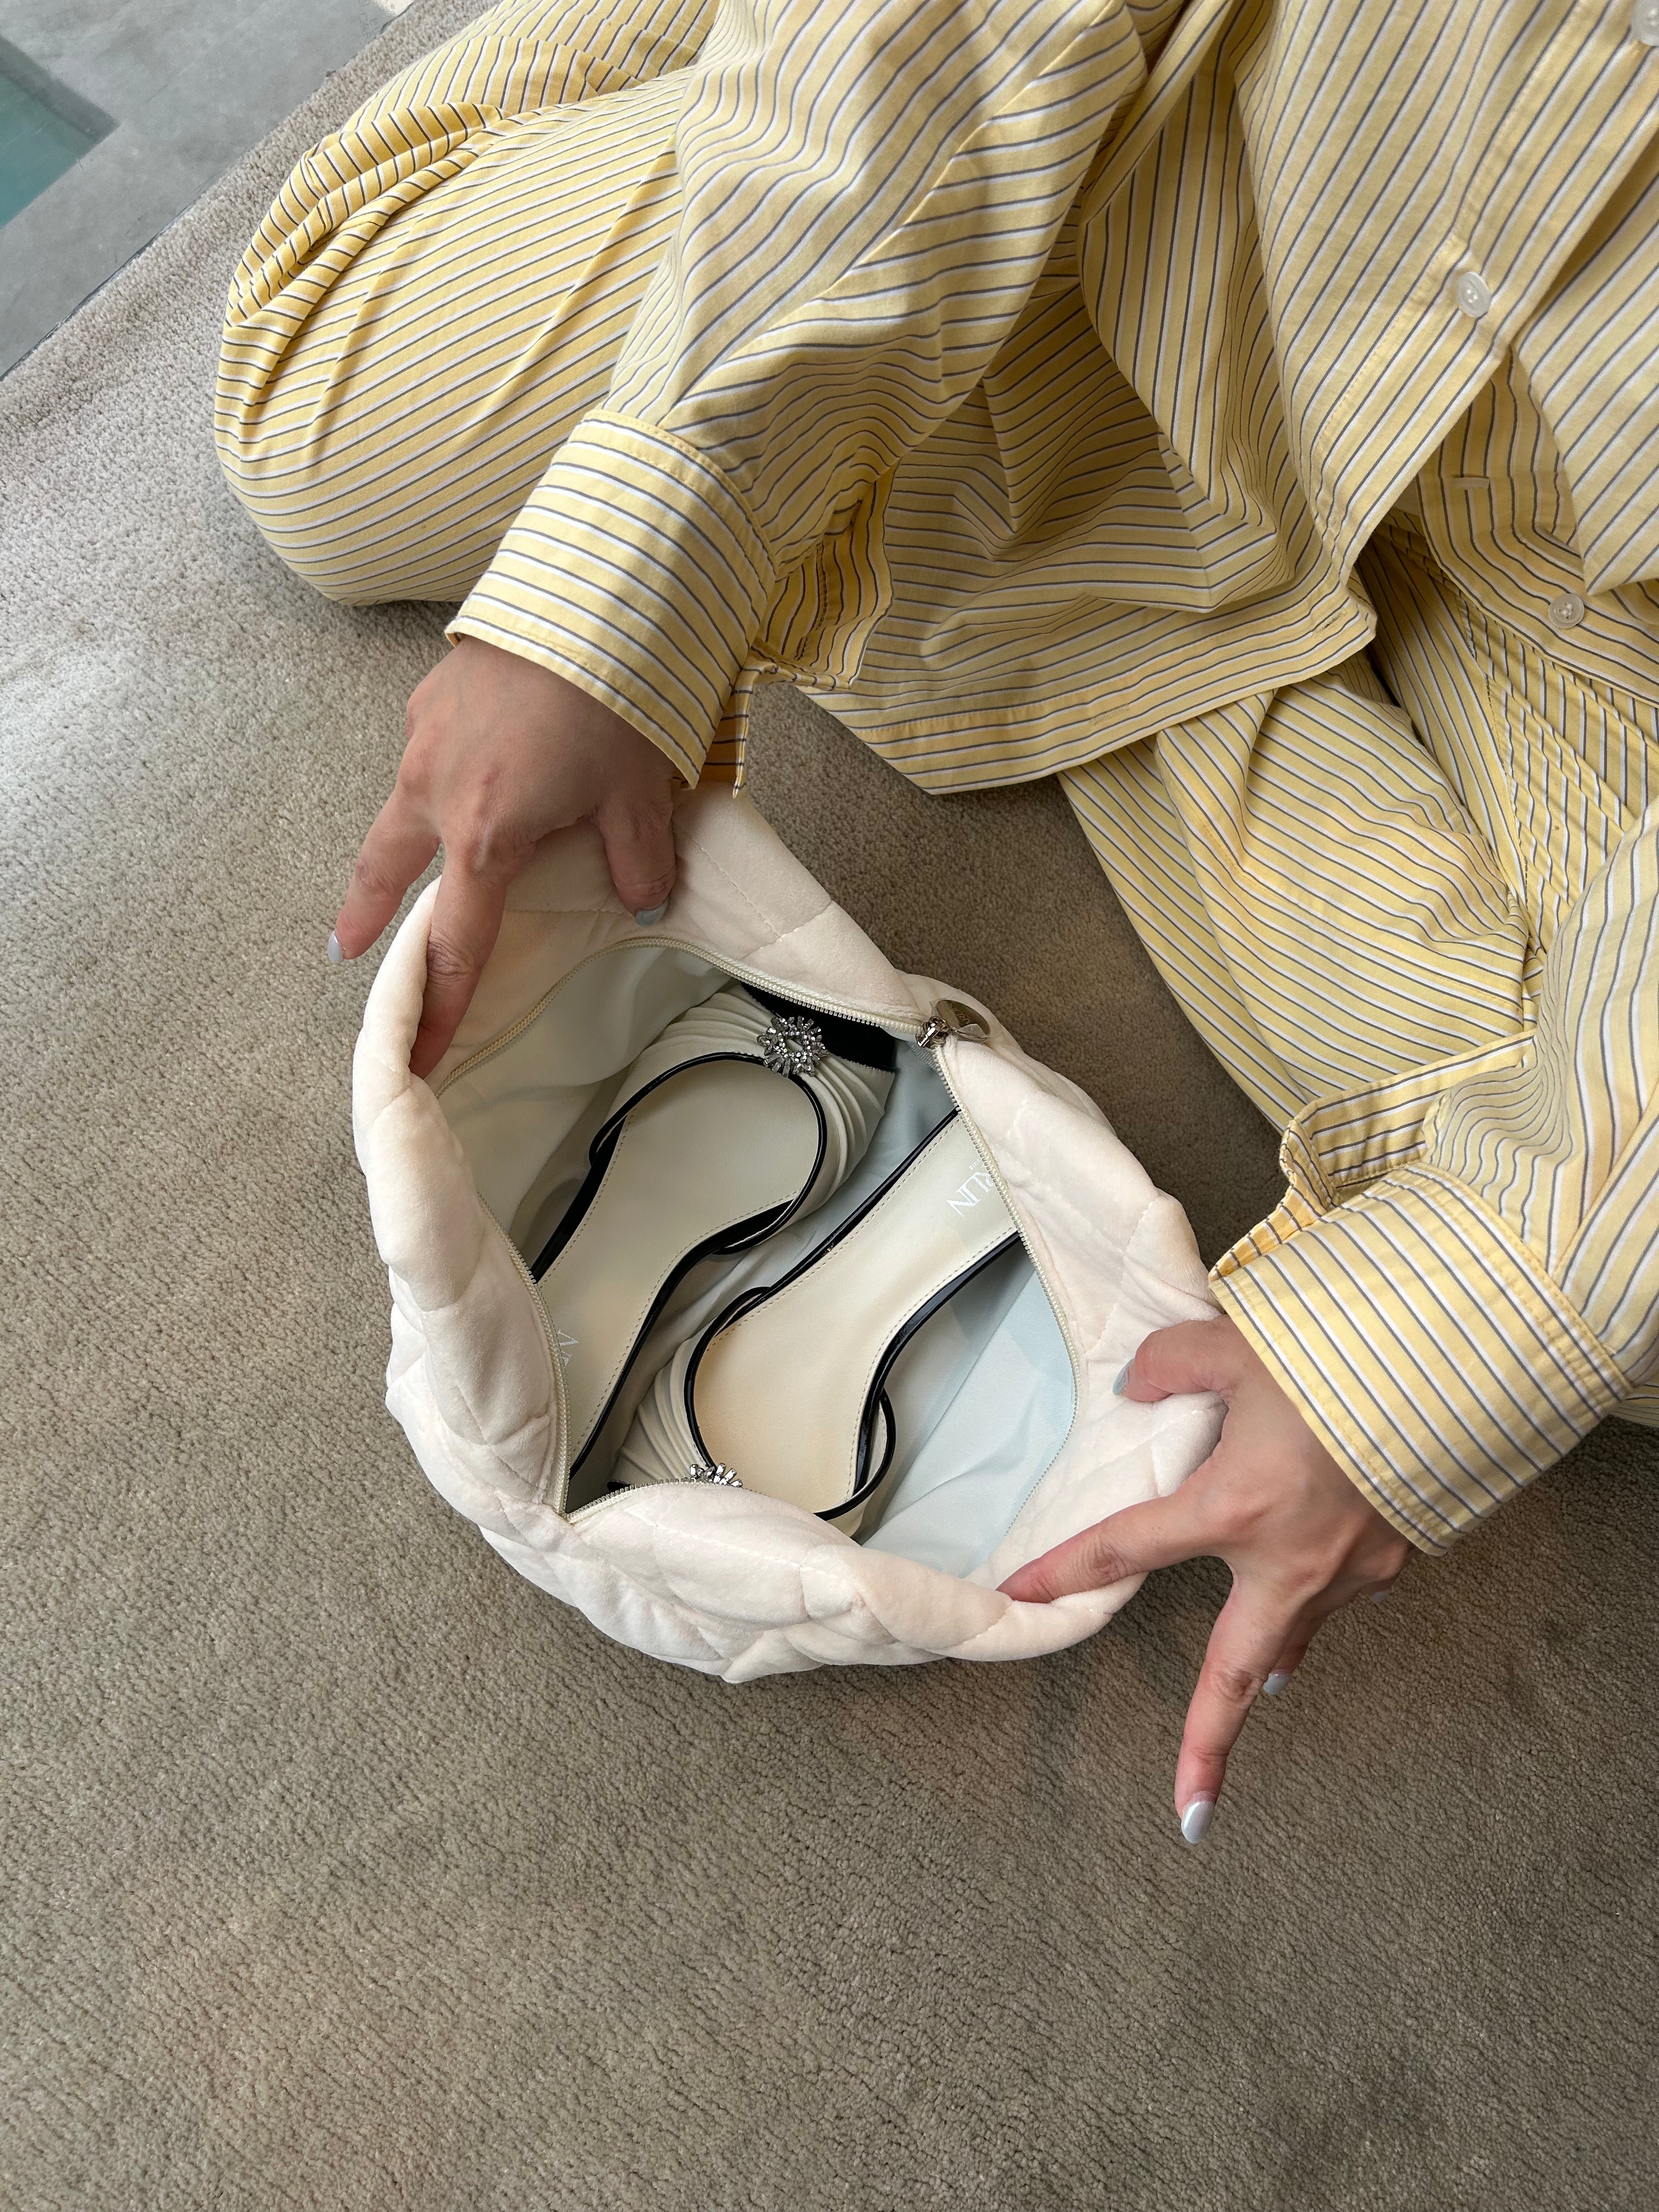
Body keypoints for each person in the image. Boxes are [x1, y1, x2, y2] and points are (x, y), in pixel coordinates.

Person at [216, 0, 1659, 1842]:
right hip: (1160, 148)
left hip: (1556, 545)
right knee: (323, 417)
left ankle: (1051, 566)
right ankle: (899, 291)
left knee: (1578, 1292)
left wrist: (1493, 1305)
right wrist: (650, 543)